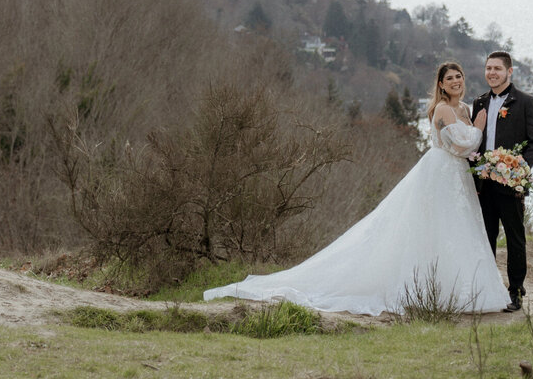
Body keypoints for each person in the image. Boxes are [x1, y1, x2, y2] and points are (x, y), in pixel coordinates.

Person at [203, 62, 511, 317]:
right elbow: (459, 145)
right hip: (440, 172)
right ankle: (428, 289)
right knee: (427, 229)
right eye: (449, 79)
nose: (456, 82)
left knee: (455, 231)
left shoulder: (467, 110)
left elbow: (470, 148)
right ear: (441, 85)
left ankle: (457, 289)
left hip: (458, 178)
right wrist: (479, 131)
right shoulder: (443, 110)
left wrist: (478, 135)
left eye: (459, 77)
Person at [471, 49, 533, 311]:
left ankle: (516, 292)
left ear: (509, 72)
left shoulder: (525, 102)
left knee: (515, 239)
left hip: (510, 184)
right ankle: (488, 289)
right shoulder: (478, 102)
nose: (492, 73)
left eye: (497, 69)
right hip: (483, 185)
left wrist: (517, 172)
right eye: (488, 68)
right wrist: (474, 174)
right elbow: (474, 142)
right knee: (485, 238)